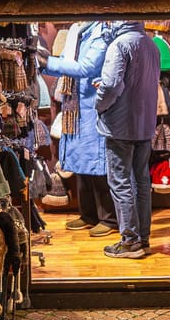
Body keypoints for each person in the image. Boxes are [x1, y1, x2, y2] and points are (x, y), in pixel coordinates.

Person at [43, 22, 119, 239]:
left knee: (98, 163)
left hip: (93, 104)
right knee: (81, 163)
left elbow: (86, 67)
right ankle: (88, 215)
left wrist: (46, 62)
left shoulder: (102, 33)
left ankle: (109, 218)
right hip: (77, 104)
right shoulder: (79, 30)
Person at [94, 21, 160, 260]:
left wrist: (99, 105)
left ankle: (130, 241)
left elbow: (111, 85)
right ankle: (143, 239)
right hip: (144, 123)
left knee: (121, 181)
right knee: (141, 182)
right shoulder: (151, 45)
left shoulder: (119, 44)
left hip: (120, 125)